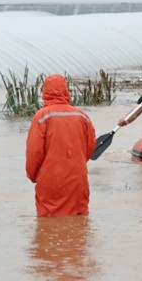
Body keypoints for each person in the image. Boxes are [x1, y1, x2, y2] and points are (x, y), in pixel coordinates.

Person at [26, 74, 97, 217]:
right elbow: (90, 146)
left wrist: (33, 175)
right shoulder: (82, 116)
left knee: (48, 225)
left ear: (44, 92)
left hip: (50, 180)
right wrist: (76, 163)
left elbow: (34, 152)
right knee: (79, 226)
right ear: (66, 91)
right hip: (78, 178)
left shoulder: (42, 116)